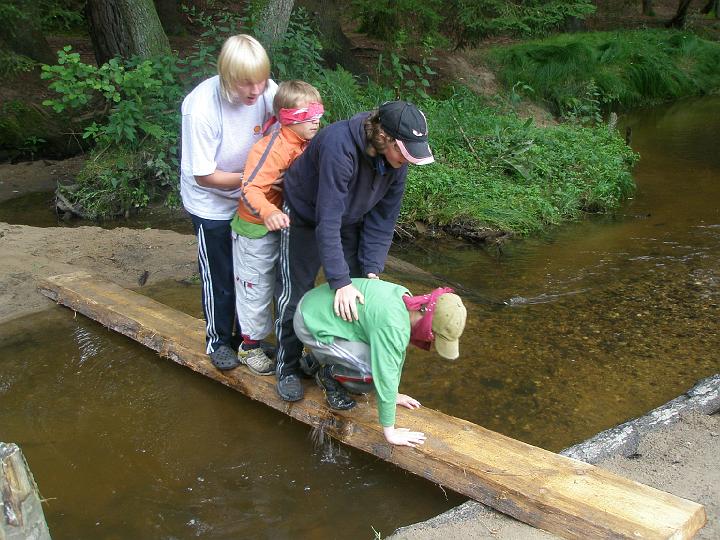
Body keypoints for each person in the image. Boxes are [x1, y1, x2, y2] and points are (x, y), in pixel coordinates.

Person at [274, 100, 435, 401]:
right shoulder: (340, 145)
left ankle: (329, 363)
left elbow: (383, 221)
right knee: (296, 292)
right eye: (405, 151)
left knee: (359, 294)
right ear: (383, 136)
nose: (409, 160)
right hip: (306, 216)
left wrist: (371, 270)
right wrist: (340, 281)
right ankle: (288, 366)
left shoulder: (396, 164)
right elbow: (327, 220)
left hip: (350, 218)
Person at [179, 34, 278, 371]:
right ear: (226, 76)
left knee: (250, 274)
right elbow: (204, 175)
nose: (256, 91)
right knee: (220, 275)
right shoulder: (201, 107)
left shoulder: (269, 92)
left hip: (252, 202)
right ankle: (219, 340)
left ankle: (248, 337)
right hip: (211, 202)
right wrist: (255, 178)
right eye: (246, 84)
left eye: (261, 81)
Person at [293, 278, 467, 447]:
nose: (433, 341)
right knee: (371, 375)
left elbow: (396, 355)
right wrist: (390, 432)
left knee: (378, 360)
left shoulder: (406, 302)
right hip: (310, 323)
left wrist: (395, 395)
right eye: (435, 337)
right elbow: (385, 373)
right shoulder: (393, 326)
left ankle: (315, 360)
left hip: (320, 309)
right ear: (427, 321)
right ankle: (328, 375)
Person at [230, 80, 324, 375]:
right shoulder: (272, 147)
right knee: (255, 289)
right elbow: (249, 187)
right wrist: (269, 210)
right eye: (305, 115)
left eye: (317, 113)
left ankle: (288, 343)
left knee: (284, 288)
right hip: (256, 228)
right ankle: (249, 346)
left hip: (284, 228)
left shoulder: (307, 143)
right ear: (286, 117)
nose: (315, 120)